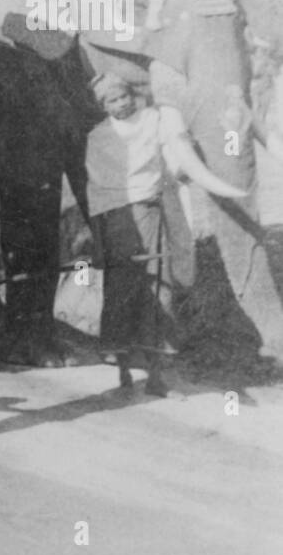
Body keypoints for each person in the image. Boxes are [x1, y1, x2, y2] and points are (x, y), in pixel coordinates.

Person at [85, 73, 246, 396]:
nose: (121, 104)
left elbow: (175, 160)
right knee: (122, 291)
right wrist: (101, 240)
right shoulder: (98, 137)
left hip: (152, 212)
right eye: (112, 100)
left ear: (134, 95)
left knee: (160, 290)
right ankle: (123, 371)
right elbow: (97, 189)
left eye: (124, 96)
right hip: (118, 221)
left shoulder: (153, 120)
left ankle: (157, 377)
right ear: (103, 106)